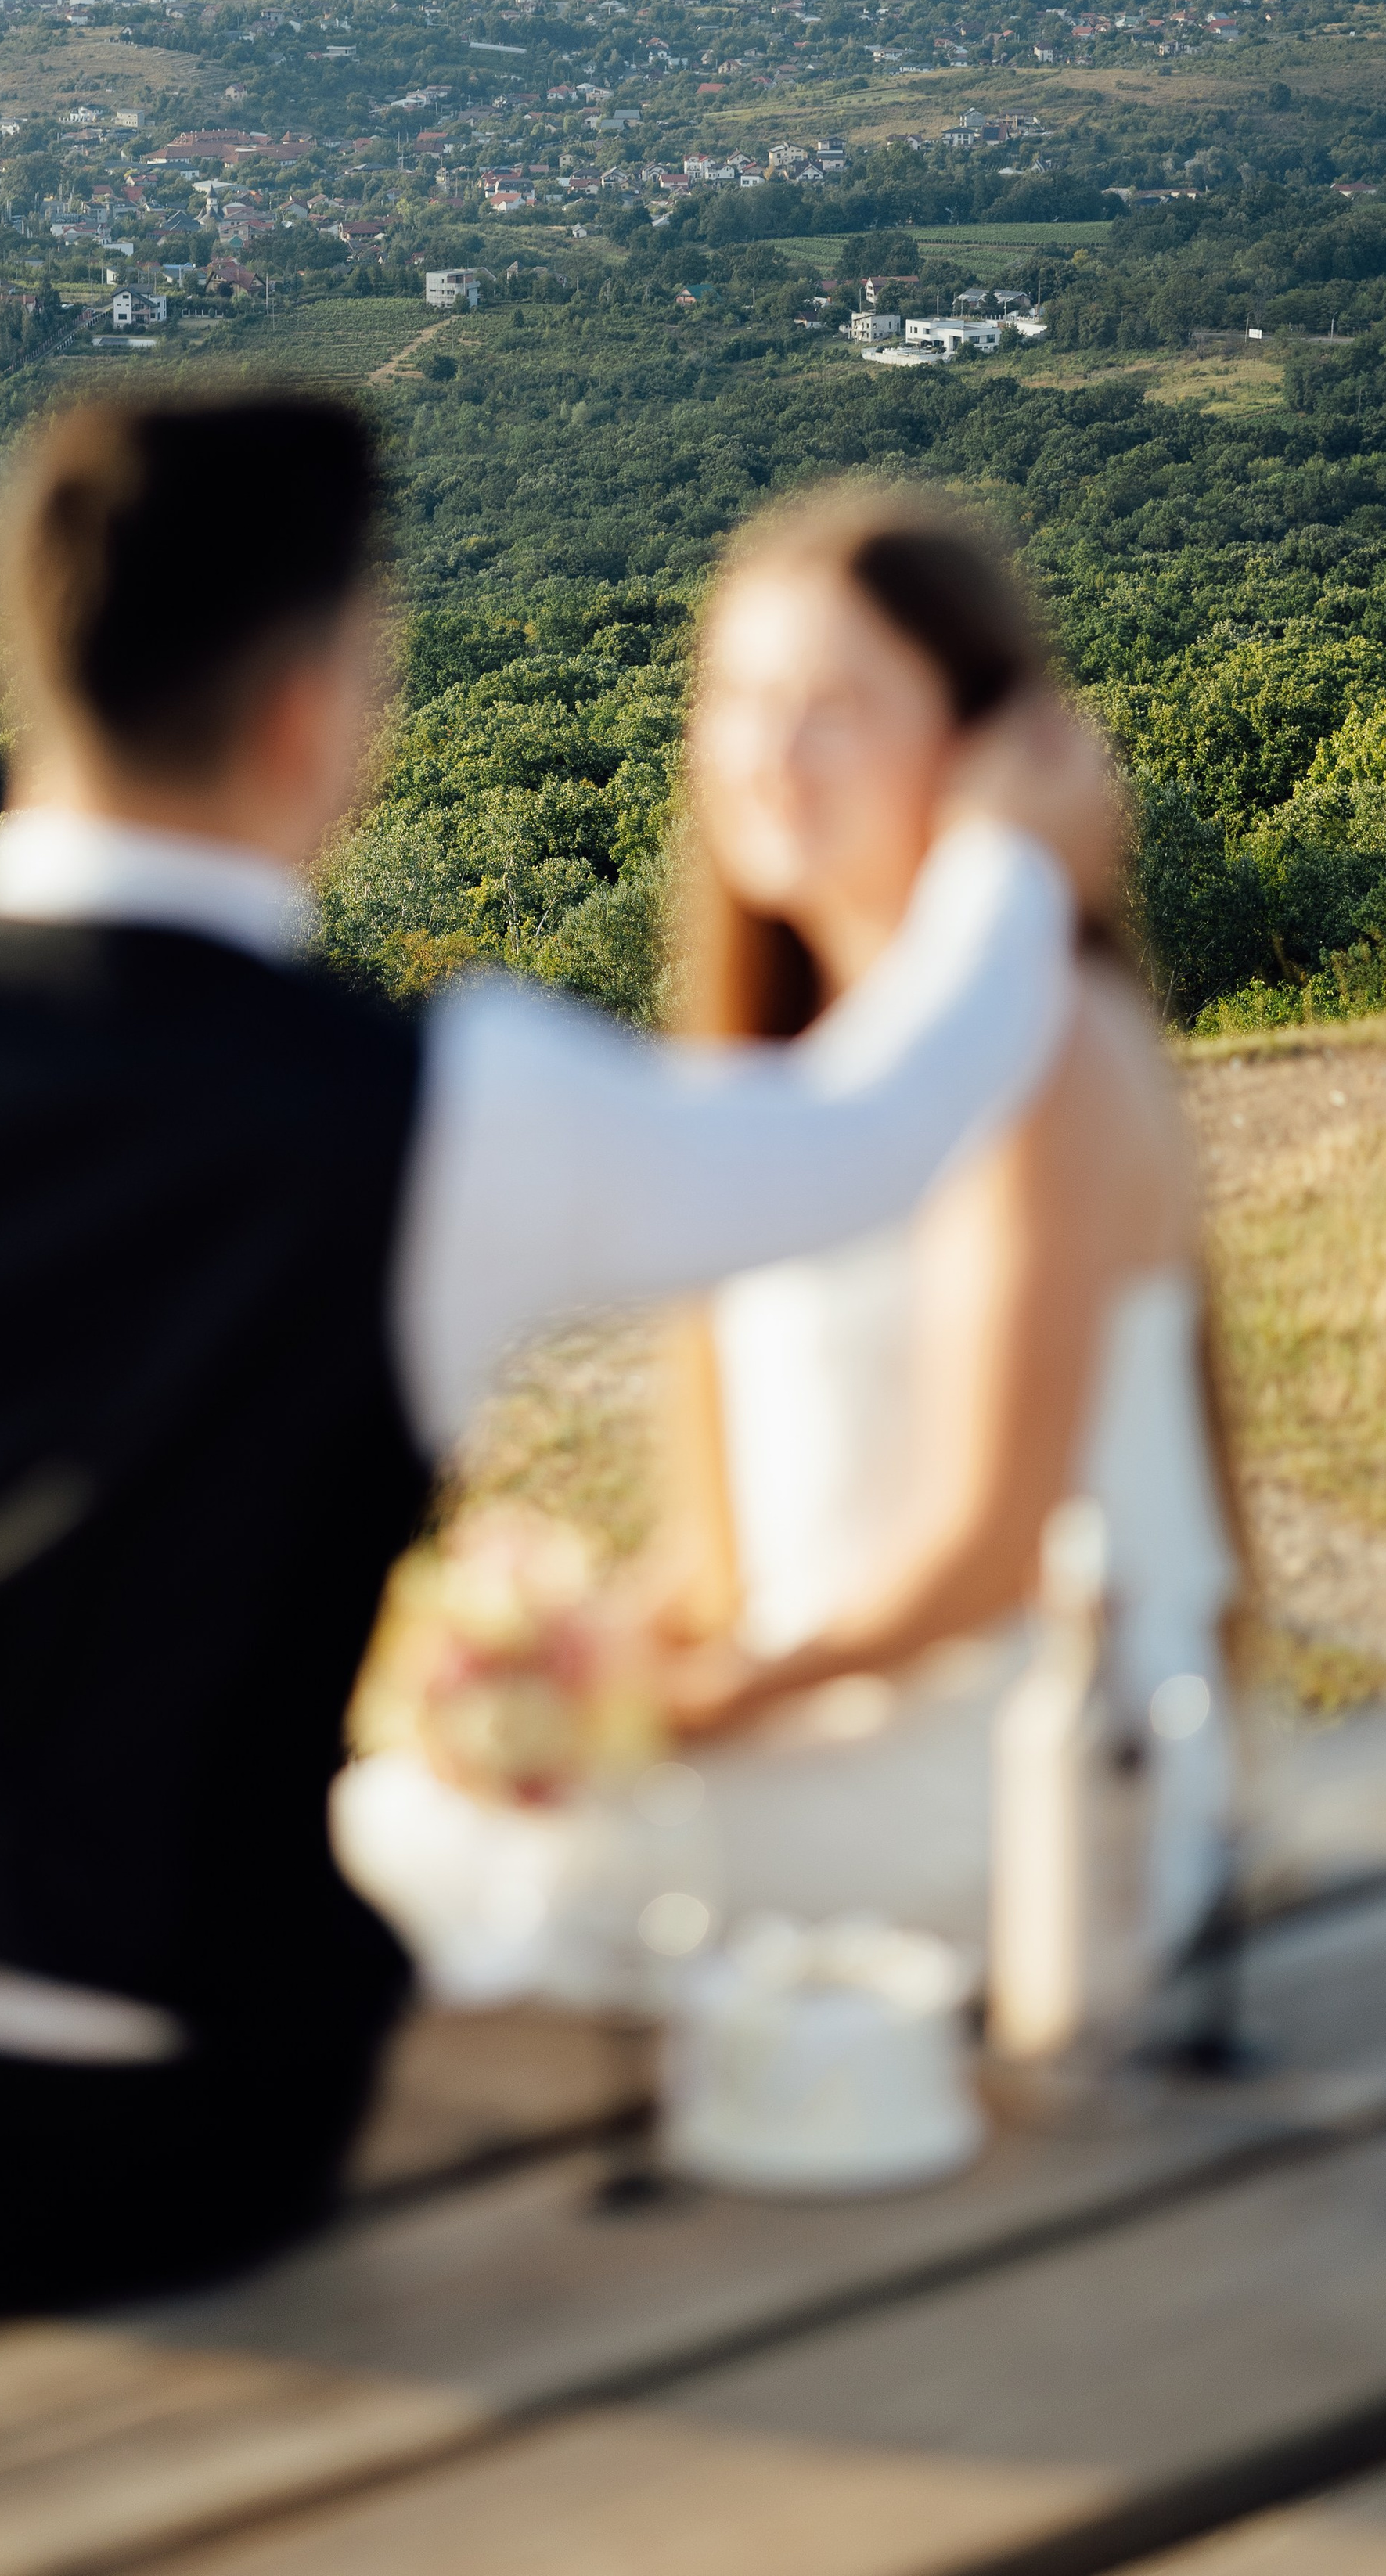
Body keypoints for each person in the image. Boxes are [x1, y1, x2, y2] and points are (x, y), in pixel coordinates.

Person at [0, 404, 1111, 2307]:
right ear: (311, 715)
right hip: (161, 2123)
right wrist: (1012, 861)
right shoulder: (449, 1106)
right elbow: (872, 1132)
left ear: (27, 666)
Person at [337, 487, 1238, 2002]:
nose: (766, 753)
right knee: (398, 1825)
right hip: (846, 1724)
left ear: (975, 749)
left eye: (835, 708)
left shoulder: (1052, 1053)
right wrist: (569, 1676)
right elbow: (751, 1549)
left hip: (1028, 1775)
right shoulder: (785, 1083)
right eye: (740, 699)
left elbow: (987, 1555)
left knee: (406, 1871)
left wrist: (685, 1714)